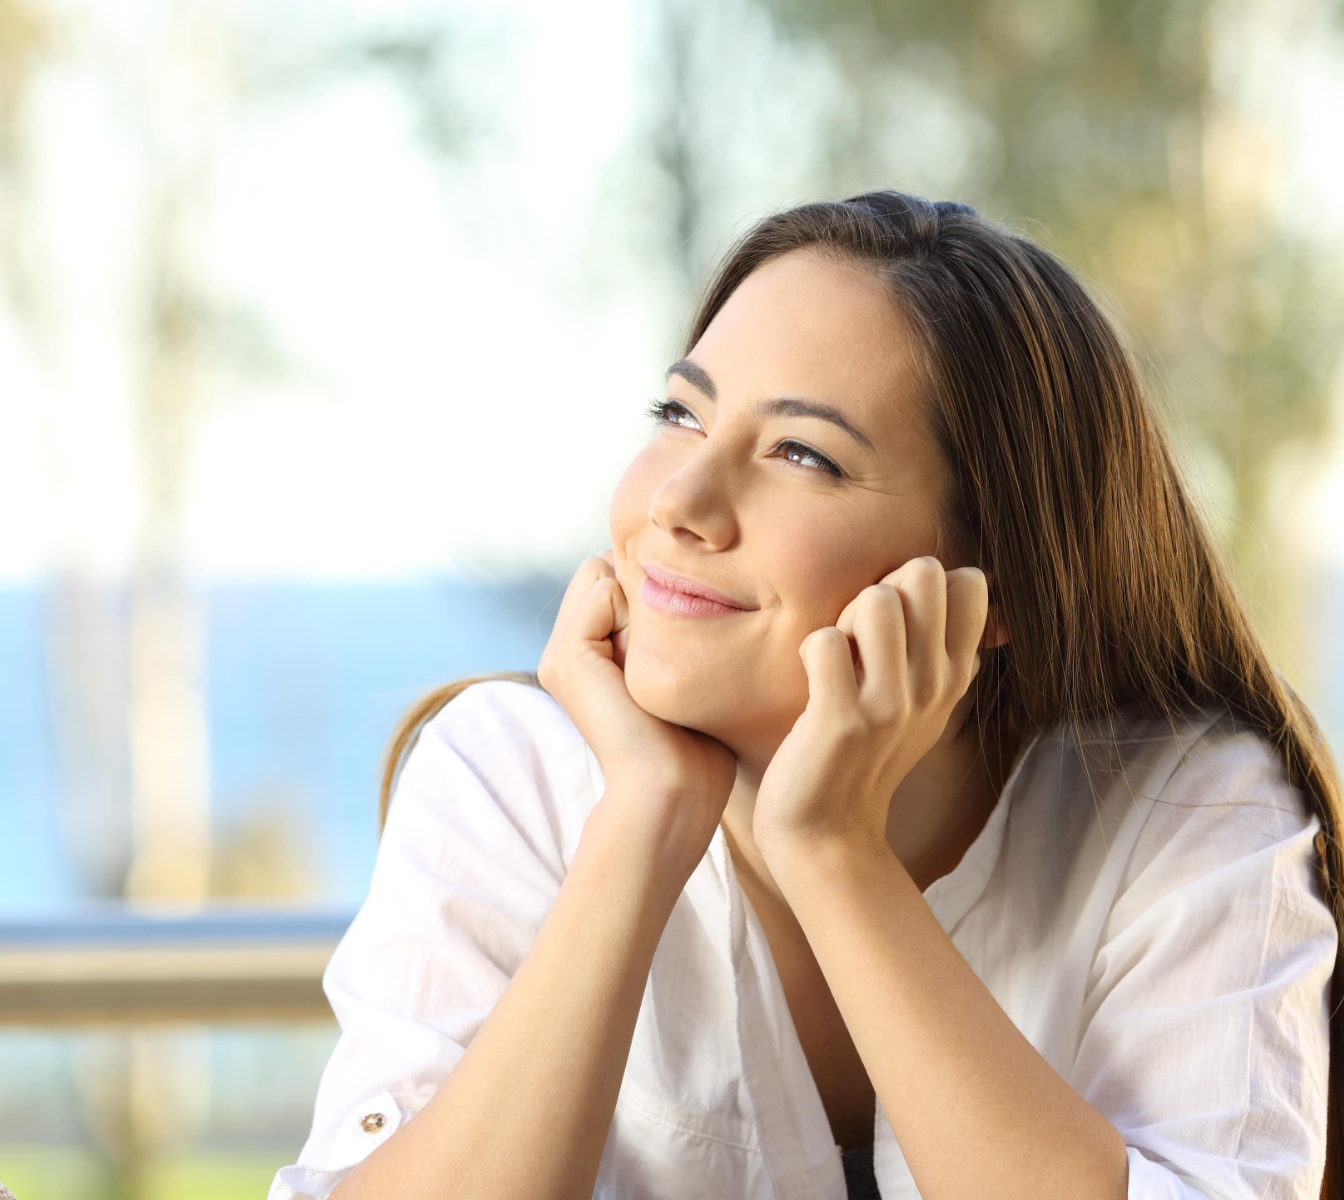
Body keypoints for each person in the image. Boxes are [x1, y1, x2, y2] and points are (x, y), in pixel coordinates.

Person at [268, 192, 1342, 1200]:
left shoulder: (1188, 817)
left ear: (993, 579)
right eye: (682, 416)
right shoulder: (513, 775)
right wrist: (640, 826)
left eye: (800, 454)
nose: (680, 503)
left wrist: (836, 853)